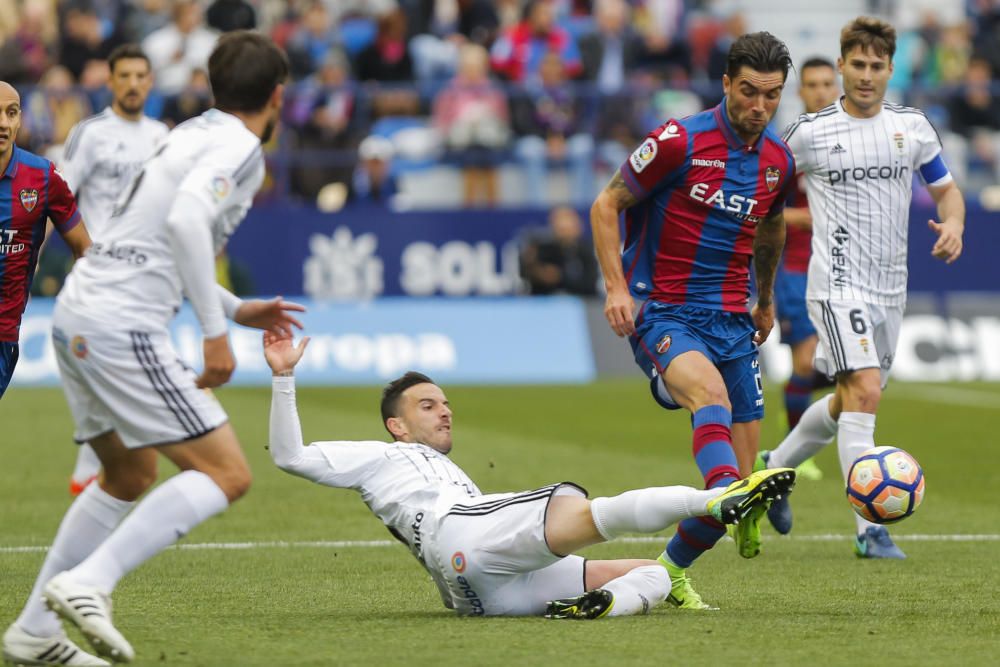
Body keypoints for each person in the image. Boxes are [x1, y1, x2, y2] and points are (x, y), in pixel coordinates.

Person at [2, 32, 303, 666]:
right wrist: (214, 336)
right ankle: (90, 582)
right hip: (120, 326)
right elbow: (187, 223)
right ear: (277, 96)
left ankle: (32, 631)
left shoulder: (188, 133)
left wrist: (238, 310)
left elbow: (151, 242)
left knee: (129, 474)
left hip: (78, 313)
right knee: (227, 473)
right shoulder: (242, 148)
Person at [262, 330, 797, 619]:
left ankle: (604, 607)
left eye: (446, 403)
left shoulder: (439, 471)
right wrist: (284, 377)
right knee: (583, 511)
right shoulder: (382, 456)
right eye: (427, 406)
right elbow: (289, 455)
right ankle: (719, 499)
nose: (445, 411)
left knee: (656, 574)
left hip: (480, 597)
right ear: (396, 425)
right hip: (463, 535)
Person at [589, 31, 795, 610]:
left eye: (772, 96)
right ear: (726, 83)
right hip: (664, 309)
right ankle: (725, 493)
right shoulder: (679, 141)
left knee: (745, 471)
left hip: (733, 318)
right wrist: (616, 288)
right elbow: (606, 204)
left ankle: (670, 572)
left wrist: (767, 298)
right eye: (749, 92)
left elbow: (773, 225)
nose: (759, 106)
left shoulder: (778, 162)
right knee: (711, 404)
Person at [759, 16, 965, 559]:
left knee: (846, 403)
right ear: (843, 64)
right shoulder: (808, 133)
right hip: (836, 284)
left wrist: (955, 224)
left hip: (891, 290)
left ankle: (774, 466)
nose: (867, 75)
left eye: (877, 66)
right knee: (866, 391)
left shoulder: (913, 128)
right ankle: (870, 529)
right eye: (858, 64)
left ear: (891, 70)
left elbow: (948, 192)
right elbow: (764, 198)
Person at [59, 43, 170, 498]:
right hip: (99, 278)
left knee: (129, 377)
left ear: (150, 81)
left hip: (146, 279)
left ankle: (90, 471)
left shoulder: (163, 136)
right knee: (119, 373)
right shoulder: (90, 134)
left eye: (140, 75)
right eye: (123, 75)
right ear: (110, 81)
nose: (132, 84)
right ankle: (92, 470)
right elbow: (60, 199)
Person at [768, 57, 842, 497]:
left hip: (843, 267)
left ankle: (798, 419)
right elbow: (768, 211)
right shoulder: (790, 147)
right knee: (804, 360)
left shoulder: (853, 143)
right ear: (801, 92)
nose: (819, 91)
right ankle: (799, 451)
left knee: (839, 370)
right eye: (811, 84)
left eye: (826, 84)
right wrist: (814, 216)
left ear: (838, 87)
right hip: (796, 268)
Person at [0, 80, 91, 402]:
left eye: (11, 113)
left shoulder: (41, 177)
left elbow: (84, 249)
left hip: (3, 334)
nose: (3, 123)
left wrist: (87, 312)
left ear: (20, 119)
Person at [520, 206, 598, 296]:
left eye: (568, 221)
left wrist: (560, 277)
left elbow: (590, 283)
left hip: (580, 301)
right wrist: (537, 272)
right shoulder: (543, 249)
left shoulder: (586, 250)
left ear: (578, 226)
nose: (563, 226)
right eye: (559, 223)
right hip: (546, 302)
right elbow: (527, 275)